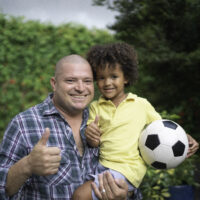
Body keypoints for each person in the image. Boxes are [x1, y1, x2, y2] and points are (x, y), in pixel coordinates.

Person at [72, 43, 199, 200]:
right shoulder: (95, 107)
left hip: (127, 169)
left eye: (114, 76)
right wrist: (92, 137)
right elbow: (94, 142)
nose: (107, 83)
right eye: (101, 77)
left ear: (126, 77)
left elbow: (164, 128)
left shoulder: (140, 104)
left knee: (79, 195)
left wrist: (185, 136)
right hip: (102, 166)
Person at [0, 55, 130, 200]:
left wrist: (124, 195)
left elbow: (129, 172)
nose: (81, 88)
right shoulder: (23, 124)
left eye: (87, 81)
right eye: (70, 80)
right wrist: (27, 165)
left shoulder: (107, 121)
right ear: (54, 84)